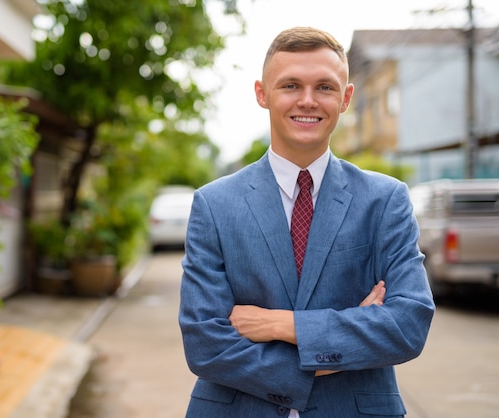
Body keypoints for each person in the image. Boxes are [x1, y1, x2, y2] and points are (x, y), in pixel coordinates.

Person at [178, 26, 435, 418]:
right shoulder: (214, 205)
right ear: (262, 93)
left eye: (325, 87)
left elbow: (407, 326)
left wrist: (283, 324)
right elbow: (205, 343)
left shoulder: (385, 201)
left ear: (346, 97)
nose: (308, 101)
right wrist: (343, 344)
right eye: (291, 85)